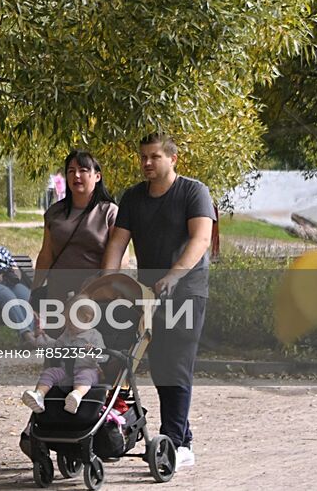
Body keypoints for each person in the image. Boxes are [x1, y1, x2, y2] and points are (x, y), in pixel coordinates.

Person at [101, 132, 215, 472]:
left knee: (176, 364)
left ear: (172, 159)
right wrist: (107, 281)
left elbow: (201, 238)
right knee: (161, 367)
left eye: (154, 157)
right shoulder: (134, 198)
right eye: (143, 157)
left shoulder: (193, 192)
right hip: (148, 294)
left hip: (187, 290)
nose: (147, 163)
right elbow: (117, 243)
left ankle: (176, 443)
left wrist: (174, 275)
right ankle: (184, 438)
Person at [31, 150, 119, 318]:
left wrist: (105, 287)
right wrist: (34, 290)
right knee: (56, 341)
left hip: (94, 296)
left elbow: (119, 256)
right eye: (71, 171)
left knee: (89, 342)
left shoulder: (110, 212)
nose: (76, 175)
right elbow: (46, 254)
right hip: (57, 293)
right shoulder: (54, 213)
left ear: (97, 176)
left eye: (83, 170)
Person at [21, 295, 106, 414]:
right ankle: (39, 395)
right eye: (66, 321)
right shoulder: (67, 334)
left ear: (86, 320)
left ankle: (76, 396)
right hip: (67, 371)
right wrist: (42, 337)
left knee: (85, 375)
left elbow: (104, 357)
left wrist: (94, 351)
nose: (68, 325)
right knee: (49, 372)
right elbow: (56, 345)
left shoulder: (94, 336)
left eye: (71, 321)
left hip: (88, 369)